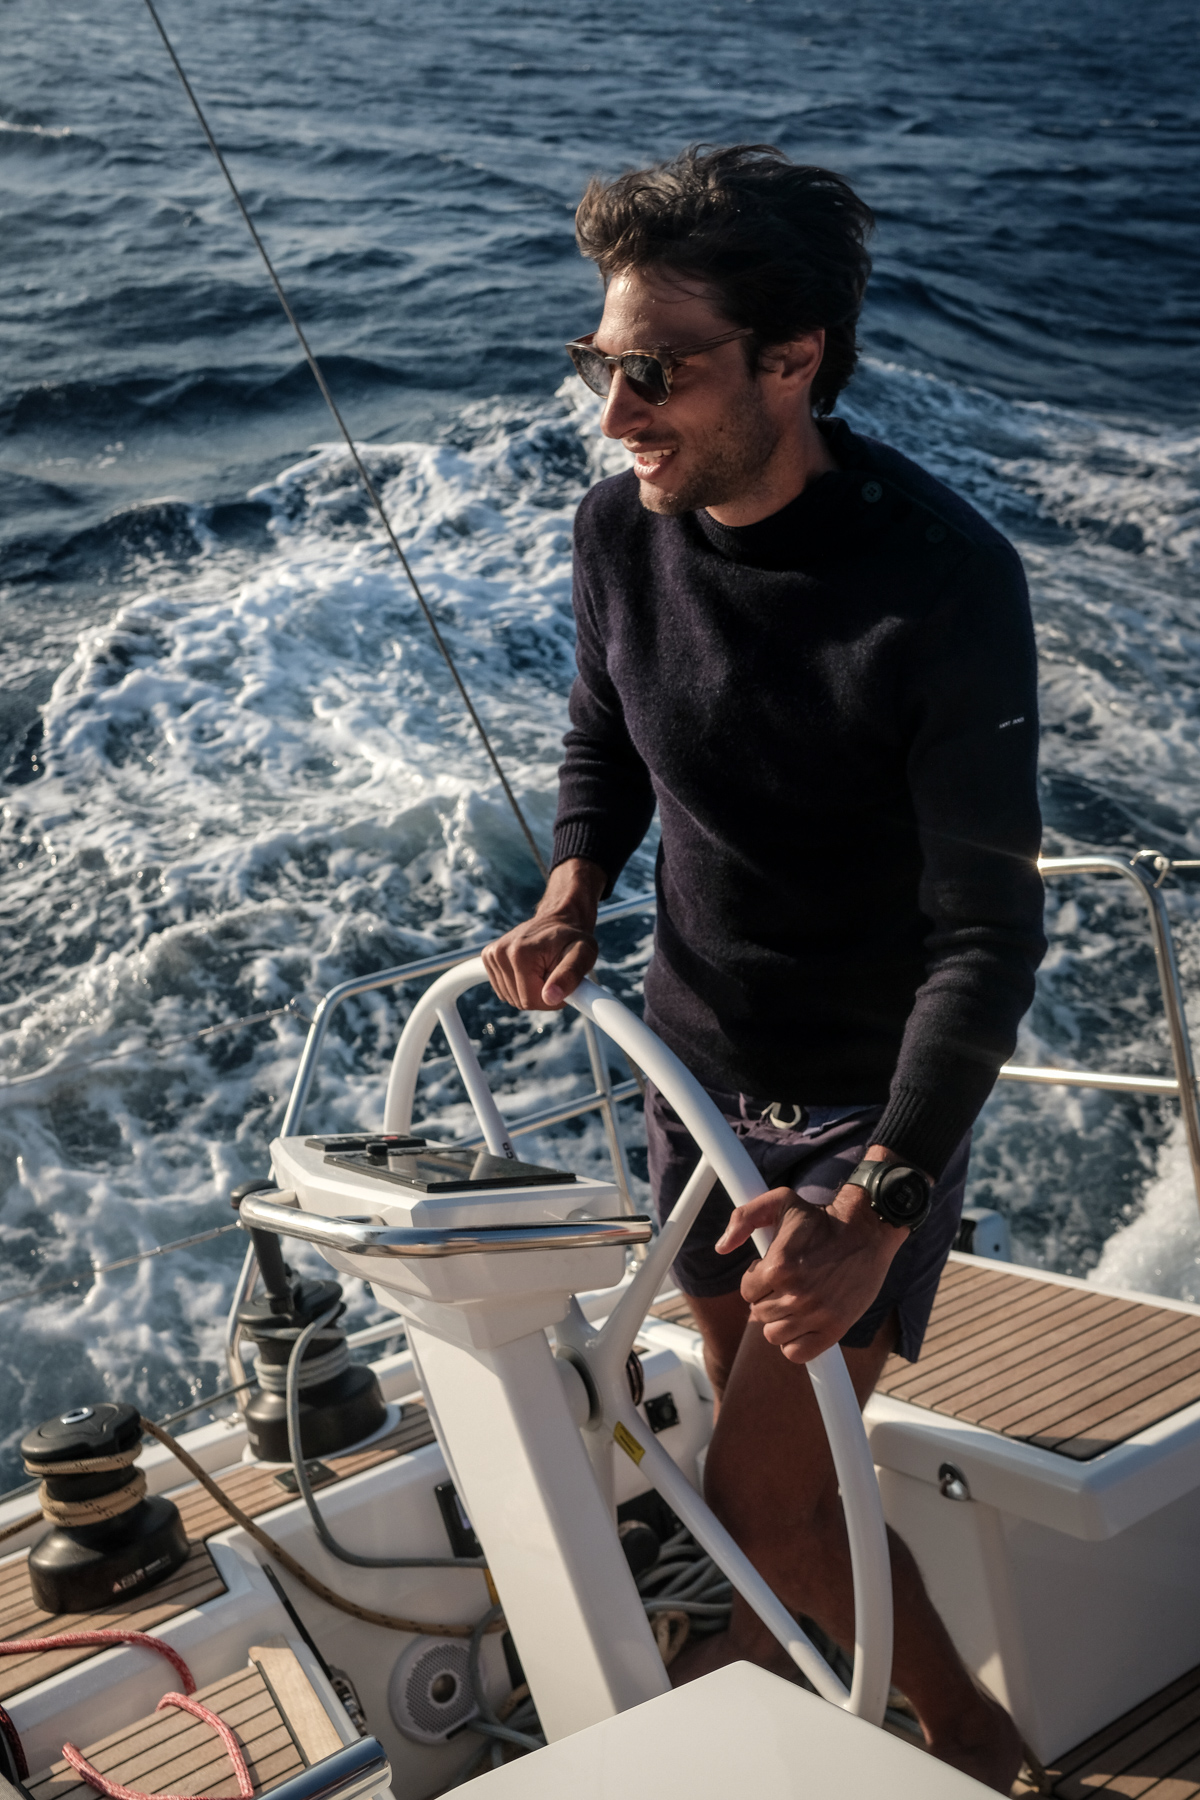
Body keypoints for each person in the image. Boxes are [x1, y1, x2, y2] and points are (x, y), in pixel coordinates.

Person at [483, 143, 1044, 1792]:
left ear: (793, 361)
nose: (615, 413)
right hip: (697, 1078)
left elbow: (989, 935)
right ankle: (890, 1710)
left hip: (866, 1113)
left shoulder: (942, 583)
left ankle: (931, 1743)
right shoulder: (620, 528)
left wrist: (879, 1205)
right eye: (600, 363)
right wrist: (577, 883)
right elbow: (607, 735)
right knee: (791, 1492)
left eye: (655, 373)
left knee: (760, 1507)